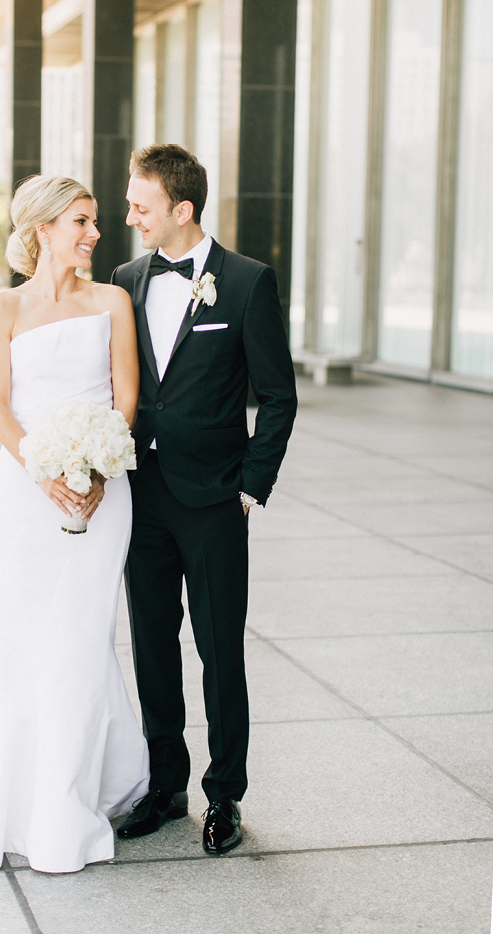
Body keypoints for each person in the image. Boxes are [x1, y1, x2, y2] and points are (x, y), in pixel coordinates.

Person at [0, 175, 149, 874]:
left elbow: (127, 397)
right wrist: (44, 472)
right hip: (23, 496)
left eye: (97, 221)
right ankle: (26, 793)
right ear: (44, 228)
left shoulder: (112, 301)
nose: (95, 232)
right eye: (82, 220)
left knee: (81, 638)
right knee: (26, 641)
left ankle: (71, 801)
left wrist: (97, 471)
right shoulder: (3, 307)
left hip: (102, 497)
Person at [112, 144, 297, 856]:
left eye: (141, 205)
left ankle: (225, 796)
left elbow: (277, 396)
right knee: (153, 646)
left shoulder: (248, 282)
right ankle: (165, 787)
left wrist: (253, 485)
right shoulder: (128, 279)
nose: (130, 217)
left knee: (220, 650)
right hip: (142, 493)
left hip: (217, 500)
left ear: (181, 210)